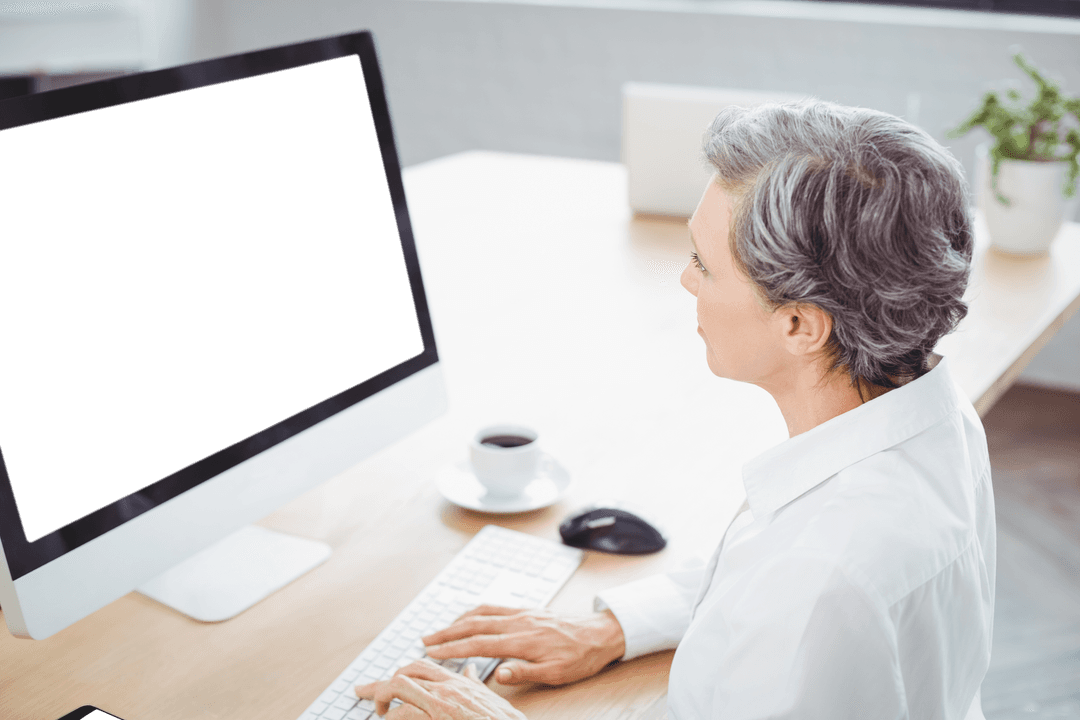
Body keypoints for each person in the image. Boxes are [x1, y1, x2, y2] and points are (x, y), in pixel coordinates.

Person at [355, 99, 996, 719]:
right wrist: (613, 629)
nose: (687, 279)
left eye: (703, 263)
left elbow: (800, 596)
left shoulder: (820, 580)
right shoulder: (930, 416)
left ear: (800, 325)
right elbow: (765, 583)